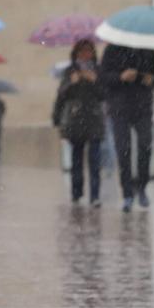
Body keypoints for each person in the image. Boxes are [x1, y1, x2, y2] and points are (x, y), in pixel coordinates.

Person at [99, 43, 154, 211]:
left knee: (145, 144)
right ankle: (127, 193)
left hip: (143, 107)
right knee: (123, 149)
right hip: (119, 108)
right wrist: (121, 76)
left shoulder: (148, 49)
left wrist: (152, 79)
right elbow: (102, 77)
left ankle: (142, 187)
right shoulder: (112, 49)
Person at [52, 38, 106, 206]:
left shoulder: (98, 71)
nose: (85, 55)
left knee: (95, 161)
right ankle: (76, 193)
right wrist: (71, 84)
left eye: (88, 51)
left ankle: (95, 195)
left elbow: (104, 94)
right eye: (82, 51)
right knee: (76, 160)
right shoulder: (70, 71)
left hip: (94, 120)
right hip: (75, 120)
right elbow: (62, 95)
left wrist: (94, 80)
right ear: (76, 54)